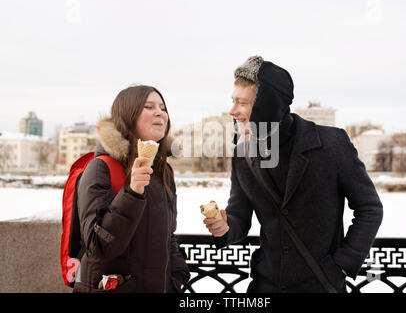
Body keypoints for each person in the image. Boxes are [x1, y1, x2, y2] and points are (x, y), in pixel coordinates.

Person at [204, 56, 383, 293]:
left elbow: (369, 208)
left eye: (242, 103)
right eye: (233, 101)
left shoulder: (331, 144)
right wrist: (225, 227)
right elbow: (240, 215)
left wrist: (342, 264)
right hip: (264, 288)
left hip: (321, 286)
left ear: (266, 105)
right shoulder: (243, 152)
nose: (232, 110)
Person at [73, 85, 189, 293]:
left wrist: (176, 278)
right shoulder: (102, 168)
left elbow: (168, 235)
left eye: (163, 108)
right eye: (149, 106)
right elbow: (99, 246)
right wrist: (132, 193)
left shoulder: (164, 171)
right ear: (128, 116)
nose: (159, 113)